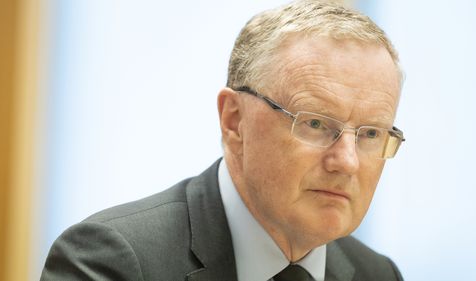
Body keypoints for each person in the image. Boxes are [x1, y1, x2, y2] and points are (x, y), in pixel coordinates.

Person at [41, 1, 406, 280]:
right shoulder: (113, 262)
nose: (347, 161)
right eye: (314, 123)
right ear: (234, 121)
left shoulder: (376, 273)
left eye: (371, 134)